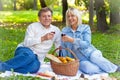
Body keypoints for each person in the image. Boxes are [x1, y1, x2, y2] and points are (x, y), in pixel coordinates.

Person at [0, 7, 61, 73]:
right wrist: (43, 38)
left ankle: (6, 67)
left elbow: (58, 46)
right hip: (25, 50)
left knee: (34, 68)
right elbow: (26, 43)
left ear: (52, 17)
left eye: (49, 16)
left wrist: (61, 59)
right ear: (39, 18)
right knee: (30, 56)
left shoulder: (56, 30)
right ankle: (2, 66)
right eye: (44, 16)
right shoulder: (32, 26)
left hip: (38, 58)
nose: (47, 18)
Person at [60, 7, 120, 74]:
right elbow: (63, 47)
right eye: (68, 16)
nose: (70, 18)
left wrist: (73, 40)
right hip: (79, 59)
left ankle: (115, 68)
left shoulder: (85, 28)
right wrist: (65, 60)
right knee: (89, 69)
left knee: (94, 57)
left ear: (77, 17)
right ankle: (105, 66)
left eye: (72, 16)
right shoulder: (64, 31)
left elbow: (86, 44)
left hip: (91, 53)